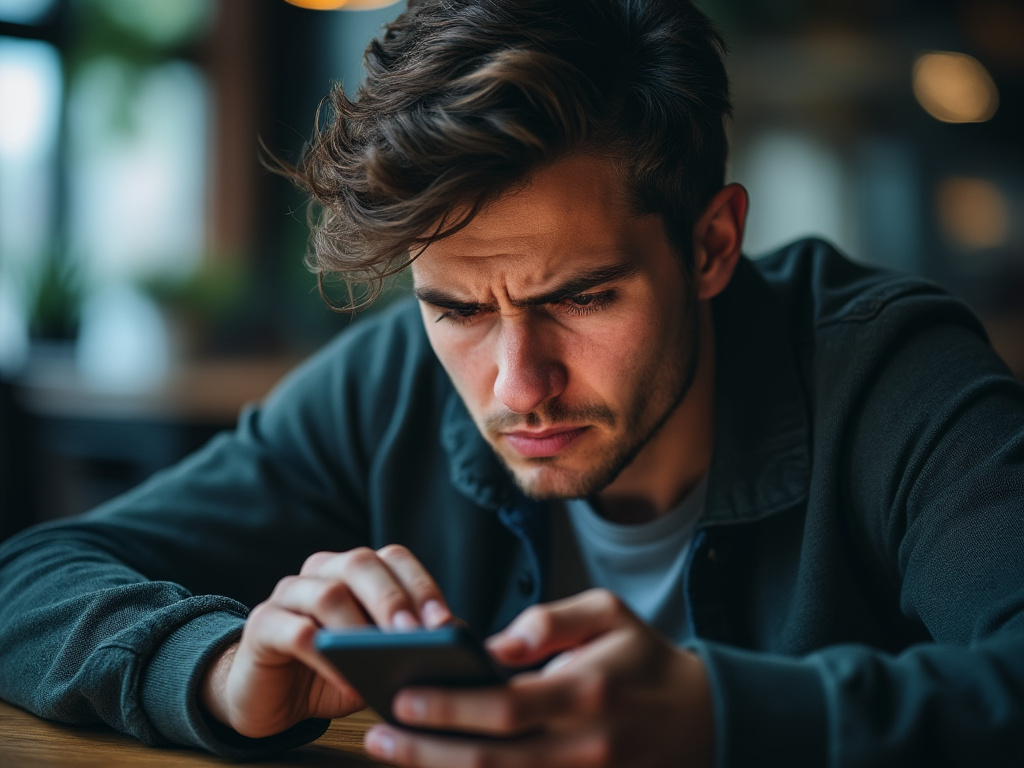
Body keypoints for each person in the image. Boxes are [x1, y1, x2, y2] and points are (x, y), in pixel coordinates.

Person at [1, 0, 1023, 765]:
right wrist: (214, 669)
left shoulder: (890, 373)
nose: (517, 384)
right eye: (456, 309)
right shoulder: (390, 378)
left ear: (710, 247)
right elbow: (27, 580)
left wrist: (721, 718)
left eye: (581, 298)